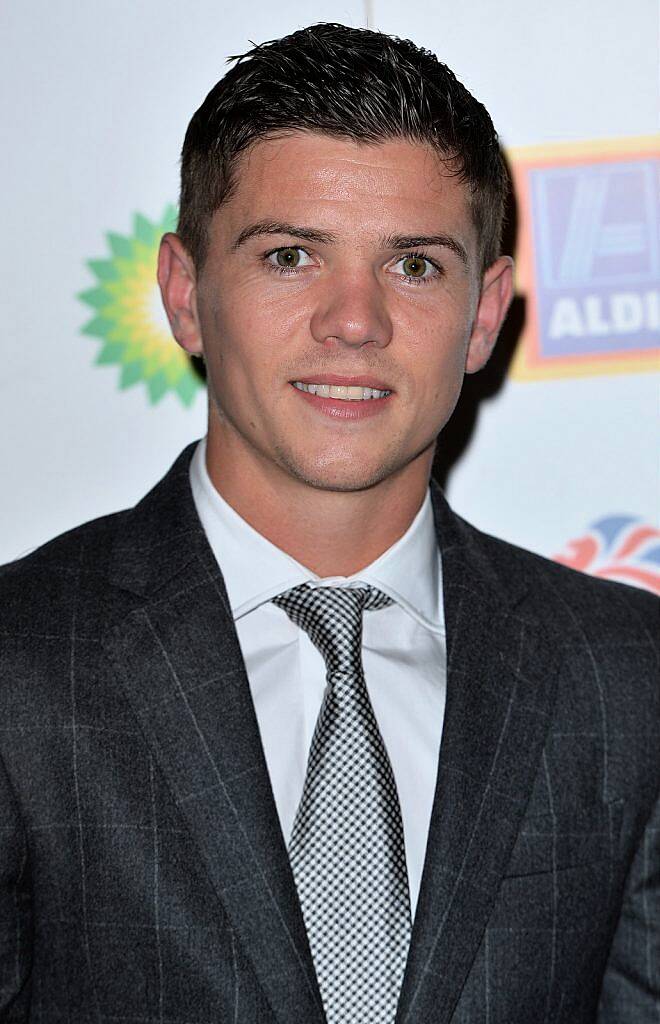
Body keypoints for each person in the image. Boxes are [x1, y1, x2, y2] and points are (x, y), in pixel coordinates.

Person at [0, 21, 658, 1024]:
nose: (355, 319)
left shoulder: (626, 679)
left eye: (415, 267)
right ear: (185, 294)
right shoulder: (20, 660)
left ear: (485, 315)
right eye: (292, 254)